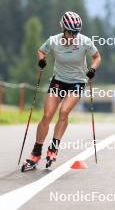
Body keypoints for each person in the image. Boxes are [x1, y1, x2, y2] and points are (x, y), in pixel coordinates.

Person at [22, 11, 101, 170]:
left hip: (77, 82)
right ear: (63, 28)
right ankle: (36, 152)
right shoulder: (53, 41)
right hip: (58, 81)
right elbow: (41, 51)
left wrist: (92, 69)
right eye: (70, 31)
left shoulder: (84, 41)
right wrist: (42, 60)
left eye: (76, 32)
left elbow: (97, 57)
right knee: (47, 115)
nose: (73, 35)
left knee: (64, 112)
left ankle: (54, 146)